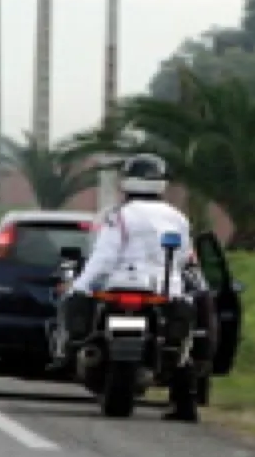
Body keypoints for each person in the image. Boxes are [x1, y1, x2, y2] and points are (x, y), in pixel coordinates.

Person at [52, 153, 203, 422]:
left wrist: (80, 286)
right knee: (183, 345)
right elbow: (182, 257)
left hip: (118, 282)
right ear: (161, 183)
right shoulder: (177, 217)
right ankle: (185, 403)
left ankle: (67, 352)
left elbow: (104, 256)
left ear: (126, 182)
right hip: (164, 289)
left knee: (76, 309)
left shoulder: (118, 216)